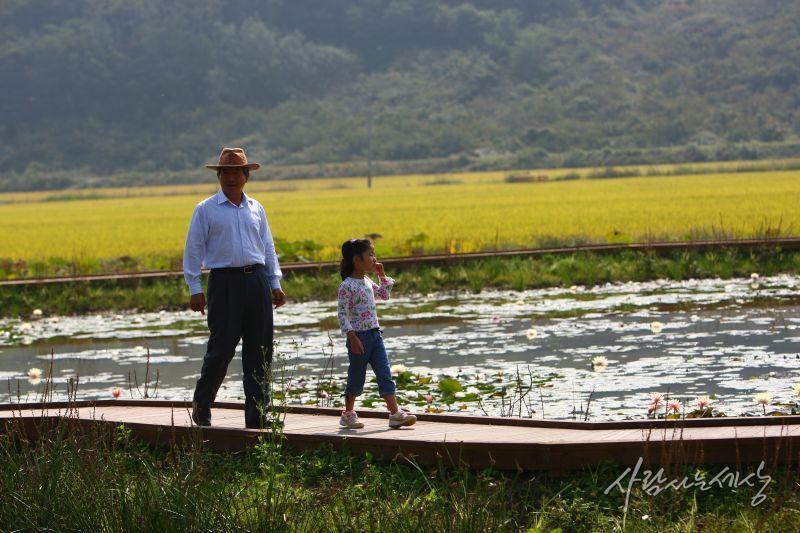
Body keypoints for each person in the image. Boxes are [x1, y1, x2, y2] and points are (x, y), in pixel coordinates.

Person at [183, 147, 286, 429]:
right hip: (224, 282)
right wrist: (195, 287)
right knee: (221, 348)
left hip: (257, 280)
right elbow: (193, 249)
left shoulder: (256, 208)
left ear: (245, 176)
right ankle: (202, 405)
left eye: (236, 172)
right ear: (218, 176)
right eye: (225, 172)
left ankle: (257, 415)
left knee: (260, 351)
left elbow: (267, 246)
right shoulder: (205, 209)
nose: (231, 178)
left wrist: (274, 282)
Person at [337, 238, 416, 429]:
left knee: (384, 373)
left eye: (374, 254)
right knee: (357, 376)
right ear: (357, 260)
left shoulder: (366, 280)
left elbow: (384, 295)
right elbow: (342, 314)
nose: (374, 258)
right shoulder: (347, 285)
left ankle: (395, 413)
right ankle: (348, 414)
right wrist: (352, 337)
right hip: (359, 338)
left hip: (375, 335)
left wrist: (382, 275)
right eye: (370, 255)